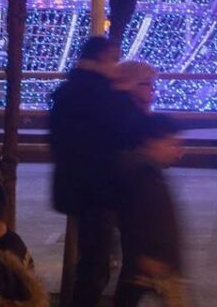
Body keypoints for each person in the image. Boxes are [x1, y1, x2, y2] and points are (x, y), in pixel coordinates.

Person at [47, 36, 143, 307]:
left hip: (78, 187)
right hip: (97, 190)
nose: (117, 65)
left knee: (93, 261)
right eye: (114, 58)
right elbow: (125, 131)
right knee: (95, 265)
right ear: (103, 58)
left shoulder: (69, 90)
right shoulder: (100, 93)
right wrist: (124, 91)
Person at [114, 114, 186, 306]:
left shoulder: (146, 172)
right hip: (154, 262)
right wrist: (148, 256)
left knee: (126, 298)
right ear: (152, 142)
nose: (178, 152)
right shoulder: (142, 175)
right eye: (171, 144)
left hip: (151, 261)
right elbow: (136, 219)